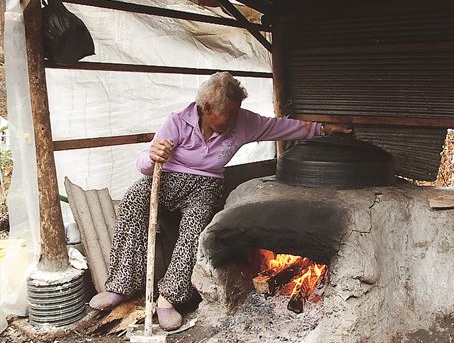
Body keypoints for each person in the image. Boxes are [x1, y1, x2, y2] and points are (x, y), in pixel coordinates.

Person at [88, 72, 351, 330]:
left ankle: (168, 298)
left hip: (205, 184)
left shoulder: (243, 122)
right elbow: (144, 165)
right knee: (133, 199)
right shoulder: (178, 122)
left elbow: (281, 126)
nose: (233, 119)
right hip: (167, 177)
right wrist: (153, 155)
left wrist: (323, 128)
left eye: (236, 111)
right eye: (228, 113)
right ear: (206, 108)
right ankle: (120, 285)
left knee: (196, 221)